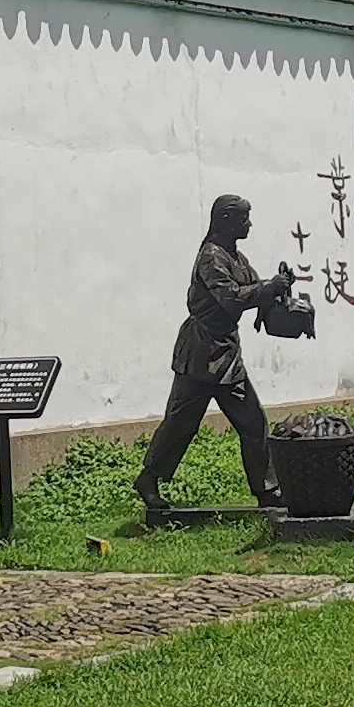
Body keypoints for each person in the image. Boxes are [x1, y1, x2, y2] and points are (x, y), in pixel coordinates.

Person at [136, 194, 290, 523]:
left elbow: (253, 287)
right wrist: (266, 289)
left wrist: (277, 291)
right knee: (181, 423)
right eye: (243, 219)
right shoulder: (211, 257)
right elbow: (231, 298)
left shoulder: (235, 256)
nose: (249, 224)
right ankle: (148, 479)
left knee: (252, 421)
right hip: (200, 352)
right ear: (225, 222)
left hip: (226, 355)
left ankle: (266, 489)